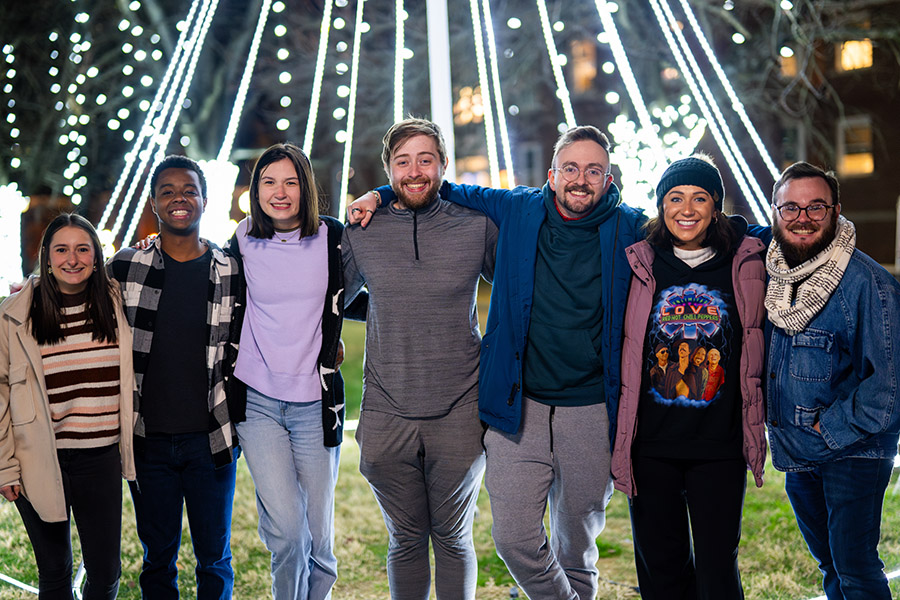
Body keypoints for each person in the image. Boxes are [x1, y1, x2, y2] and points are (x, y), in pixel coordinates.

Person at [350, 124, 643, 599]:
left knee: (575, 546)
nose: (580, 179)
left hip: (586, 408)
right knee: (503, 538)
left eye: (593, 170)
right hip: (517, 404)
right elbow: (430, 187)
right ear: (551, 175)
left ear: (609, 179)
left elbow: (689, 229)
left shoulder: (630, 228)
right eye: (570, 168)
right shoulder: (520, 211)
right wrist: (381, 195)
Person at [342, 118, 497, 599]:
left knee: (453, 537)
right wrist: (382, 308)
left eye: (425, 160)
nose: (414, 172)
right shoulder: (363, 230)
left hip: (460, 410)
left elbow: (520, 282)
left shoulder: (476, 225)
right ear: (388, 168)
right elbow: (325, 296)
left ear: (444, 164)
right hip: (387, 412)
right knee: (406, 539)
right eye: (402, 161)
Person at [610, 155, 767, 599]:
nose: (687, 209)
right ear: (661, 205)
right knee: (661, 570)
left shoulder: (745, 259)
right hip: (652, 445)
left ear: (716, 206)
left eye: (700, 198)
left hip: (719, 445)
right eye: (675, 198)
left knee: (718, 569)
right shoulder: (641, 260)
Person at [225, 142, 364, 599]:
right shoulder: (242, 238)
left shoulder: (334, 237)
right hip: (257, 401)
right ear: (255, 190)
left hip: (315, 403)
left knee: (319, 538)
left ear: (306, 187)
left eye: (290, 182)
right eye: (268, 182)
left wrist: (378, 195)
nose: (279, 193)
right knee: (287, 533)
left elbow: (362, 286)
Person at [765, 161, 900, 599]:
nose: (802, 218)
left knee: (855, 569)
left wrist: (830, 428)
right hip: (799, 453)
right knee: (831, 566)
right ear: (775, 212)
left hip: (853, 451)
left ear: (836, 211)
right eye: (791, 207)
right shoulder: (776, 280)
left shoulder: (868, 284)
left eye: (816, 207)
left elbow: (890, 387)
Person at [108, 156, 242, 599]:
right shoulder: (127, 266)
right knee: (157, 559)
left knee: (215, 558)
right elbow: (72, 283)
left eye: (188, 190)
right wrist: (28, 289)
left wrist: (328, 339)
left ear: (204, 199)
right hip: (148, 442)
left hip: (212, 439)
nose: (179, 198)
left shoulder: (230, 269)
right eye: (167, 191)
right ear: (154, 203)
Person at [0, 214, 136, 599]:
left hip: (100, 456)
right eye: (61, 249)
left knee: (105, 573)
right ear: (47, 257)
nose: (72, 259)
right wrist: (5, 465)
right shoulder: (15, 314)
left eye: (82, 249)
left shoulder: (115, 300)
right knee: (54, 572)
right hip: (38, 458)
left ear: (96, 256)